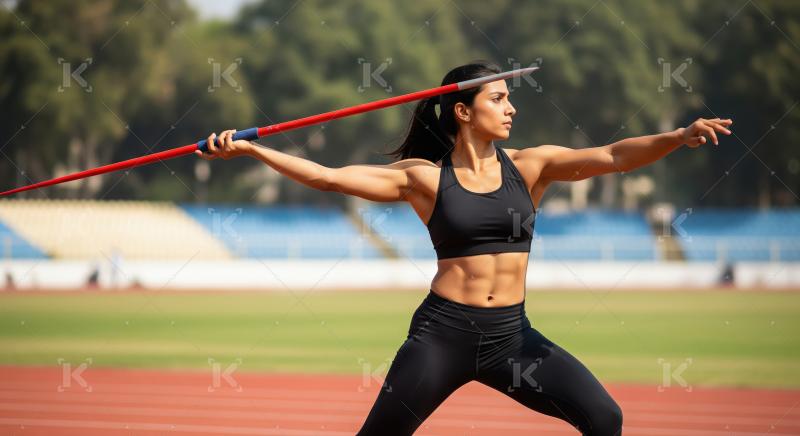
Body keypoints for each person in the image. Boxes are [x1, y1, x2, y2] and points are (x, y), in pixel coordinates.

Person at [198, 61, 733, 435]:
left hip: (512, 339)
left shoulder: (531, 166)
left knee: (605, 418)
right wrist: (252, 150)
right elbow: (328, 177)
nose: (510, 109)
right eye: (498, 99)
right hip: (443, 336)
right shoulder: (424, 178)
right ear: (463, 111)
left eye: (509, 99)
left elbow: (614, 156)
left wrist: (676, 137)